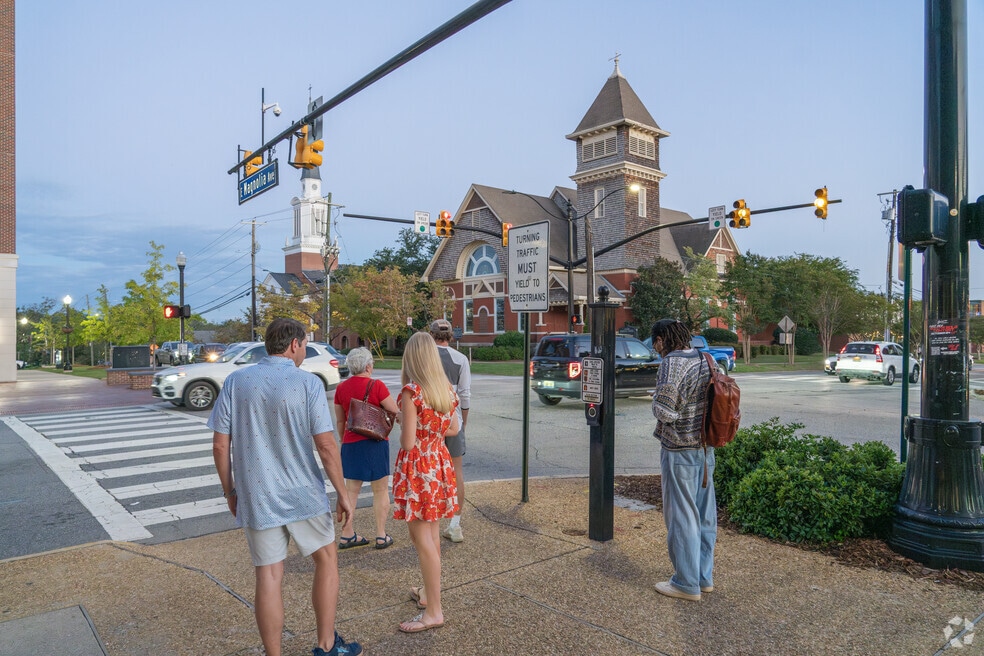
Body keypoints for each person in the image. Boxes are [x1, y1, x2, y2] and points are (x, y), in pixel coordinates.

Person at [209, 318, 362, 656]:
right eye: (305, 344)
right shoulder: (306, 384)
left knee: (269, 575)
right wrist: (342, 492)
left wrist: (230, 492)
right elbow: (325, 445)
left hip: (256, 495)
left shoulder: (236, 382)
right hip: (302, 492)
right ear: (294, 344)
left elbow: (220, 446)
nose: (304, 350)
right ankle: (326, 645)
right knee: (326, 560)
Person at [392, 331, 460, 633]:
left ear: (411, 358)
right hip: (439, 462)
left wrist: (404, 422)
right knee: (430, 538)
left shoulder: (412, 391)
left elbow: (407, 442)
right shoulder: (445, 388)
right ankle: (426, 594)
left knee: (423, 541)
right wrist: (430, 431)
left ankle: (434, 611)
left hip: (418, 467)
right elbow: (455, 428)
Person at [649, 318, 714, 603]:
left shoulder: (671, 364)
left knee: (681, 515)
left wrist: (664, 410)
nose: (655, 347)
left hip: (679, 450)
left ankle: (685, 584)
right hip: (706, 448)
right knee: (703, 515)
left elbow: (664, 410)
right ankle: (703, 577)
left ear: (662, 339)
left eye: (655, 341)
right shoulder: (706, 358)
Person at [332, 346, 400, 550]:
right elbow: (394, 410)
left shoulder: (341, 389)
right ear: (368, 366)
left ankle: (347, 534)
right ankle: (381, 534)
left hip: (351, 444)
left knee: (351, 491)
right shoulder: (377, 386)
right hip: (375, 443)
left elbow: (340, 421)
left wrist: (343, 441)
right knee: (380, 490)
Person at [429, 318, 471, 543]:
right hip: (453, 421)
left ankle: (431, 520)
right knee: (457, 473)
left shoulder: (424, 357)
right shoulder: (461, 359)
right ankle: (455, 524)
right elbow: (465, 394)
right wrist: (463, 421)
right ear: (451, 337)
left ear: (431, 334)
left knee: (429, 470)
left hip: (428, 423)